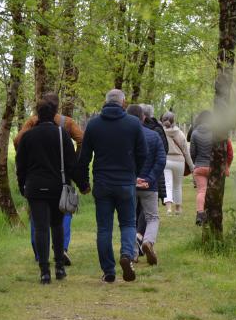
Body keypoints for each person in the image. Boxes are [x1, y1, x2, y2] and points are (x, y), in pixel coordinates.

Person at [78, 89, 147, 282]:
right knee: (128, 223)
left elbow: (84, 158)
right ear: (123, 102)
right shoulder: (133, 124)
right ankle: (126, 255)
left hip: (102, 182)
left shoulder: (93, 125)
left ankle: (108, 271)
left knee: (104, 228)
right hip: (126, 182)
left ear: (105, 102)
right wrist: (135, 173)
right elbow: (143, 152)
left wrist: (83, 182)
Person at [16, 99, 88, 284]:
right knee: (57, 226)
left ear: (37, 115)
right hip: (58, 186)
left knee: (40, 227)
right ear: (55, 114)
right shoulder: (61, 134)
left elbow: (20, 165)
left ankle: (44, 271)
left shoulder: (28, 136)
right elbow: (71, 163)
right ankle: (59, 267)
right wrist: (82, 184)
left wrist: (22, 185)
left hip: (35, 186)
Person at [126, 105, 166, 265]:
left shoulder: (124, 137)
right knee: (152, 217)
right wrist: (149, 179)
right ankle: (148, 241)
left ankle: (133, 253)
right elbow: (161, 160)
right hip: (150, 186)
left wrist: (134, 178)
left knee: (129, 219)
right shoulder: (154, 136)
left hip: (129, 184)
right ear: (143, 118)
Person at [189, 110, 234, 226]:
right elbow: (224, 150)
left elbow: (192, 153)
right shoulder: (217, 133)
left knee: (202, 191)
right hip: (214, 168)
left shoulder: (194, 133)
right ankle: (212, 214)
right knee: (214, 192)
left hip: (199, 167)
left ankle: (200, 213)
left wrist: (197, 163)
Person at [161, 111, 194, 216]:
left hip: (166, 160)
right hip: (179, 161)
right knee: (177, 185)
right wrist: (191, 166)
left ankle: (169, 209)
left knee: (167, 184)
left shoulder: (160, 133)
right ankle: (178, 208)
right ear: (173, 121)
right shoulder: (180, 133)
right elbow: (186, 152)